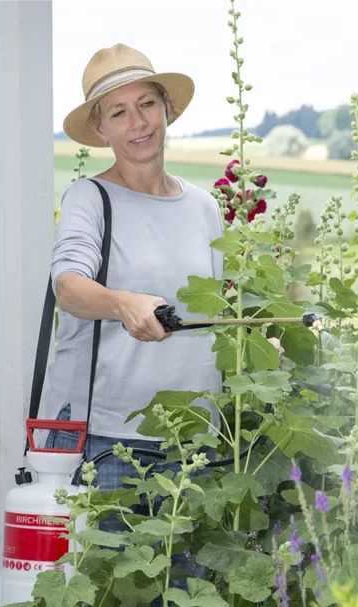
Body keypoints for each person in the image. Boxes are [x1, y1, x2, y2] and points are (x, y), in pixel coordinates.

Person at [42, 43, 222, 518]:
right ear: (101, 129)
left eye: (146, 104)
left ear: (166, 109)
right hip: (113, 441)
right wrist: (125, 304)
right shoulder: (89, 197)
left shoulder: (205, 207)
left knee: (189, 590)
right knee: (112, 589)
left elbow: (217, 311)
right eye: (118, 112)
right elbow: (69, 287)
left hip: (197, 442)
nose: (138, 122)